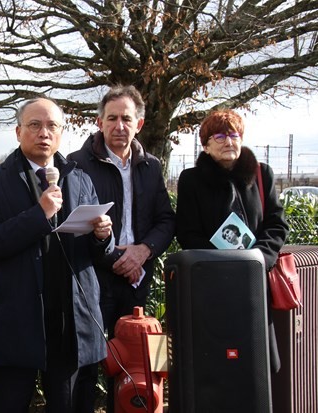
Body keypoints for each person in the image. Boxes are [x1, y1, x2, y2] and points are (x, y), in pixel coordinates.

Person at [0, 96, 114, 413]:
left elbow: (97, 252)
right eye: (34, 125)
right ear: (18, 131)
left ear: (62, 132)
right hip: (18, 321)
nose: (43, 133)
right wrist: (39, 214)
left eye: (52, 126)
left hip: (71, 322)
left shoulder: (79, 177)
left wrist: (103, 236)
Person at [67, 85, 175, 411]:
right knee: (85, 368)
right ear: (99, 122)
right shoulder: (76, 164)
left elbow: (166, 221)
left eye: (126, 119)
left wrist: (143, 251)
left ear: (139, 124)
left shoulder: (151, 166)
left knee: (139, 367)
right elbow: (74, 227)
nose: (119, 126)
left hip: (136, 283)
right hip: (93, 282)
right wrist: (117, 257)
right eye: (111, 118)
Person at [175, 109, 289, 373]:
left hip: (254, 281)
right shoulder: (191, 180)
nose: (229, 141)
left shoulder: (262, 174)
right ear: (206, 144)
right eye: (220, 136)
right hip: (212, 285)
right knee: (218, 364)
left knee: (260, 364)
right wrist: (222, 262)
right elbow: (187, 233)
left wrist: (259, 258)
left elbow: (276, 224)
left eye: (234, 135)